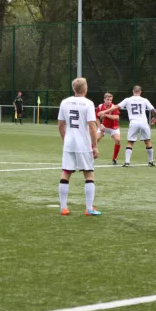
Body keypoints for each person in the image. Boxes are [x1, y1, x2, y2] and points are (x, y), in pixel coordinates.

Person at [57, 77, 100, 216]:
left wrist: (66, 140)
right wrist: (95, 145)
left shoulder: (65, 102)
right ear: (85, 88)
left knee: (66, 173)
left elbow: (60, 125)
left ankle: (63, 208)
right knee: (89, 173)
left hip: (69, 143)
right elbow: (93, 127)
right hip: (83, 144)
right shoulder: (88, 103)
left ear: (74, 89)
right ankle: (88, 208)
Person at [99, 85, 156, 167]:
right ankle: (151, 161)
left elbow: (115, 107)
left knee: (130, 142)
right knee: (147, 141)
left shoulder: (128, 100)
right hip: (144, 122)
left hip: (134, 122)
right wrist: (154, 118)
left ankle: (127, 162)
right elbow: (153, 110)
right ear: (140, 92)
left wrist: (105, 111)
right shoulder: (144, 100)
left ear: (133, 91)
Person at [95, 92, 121, 165]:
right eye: (108, 99)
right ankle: (91, 155)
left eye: (110, 100)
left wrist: (106, 115)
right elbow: (96, 118)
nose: (109, 101)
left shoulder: (113, 107)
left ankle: (114, 158)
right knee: (95, 139)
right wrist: (99, 126)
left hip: (113, 127)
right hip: (104, 126)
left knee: (118, 140)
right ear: (104, 99)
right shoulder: (100, 107)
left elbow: (117, 117)